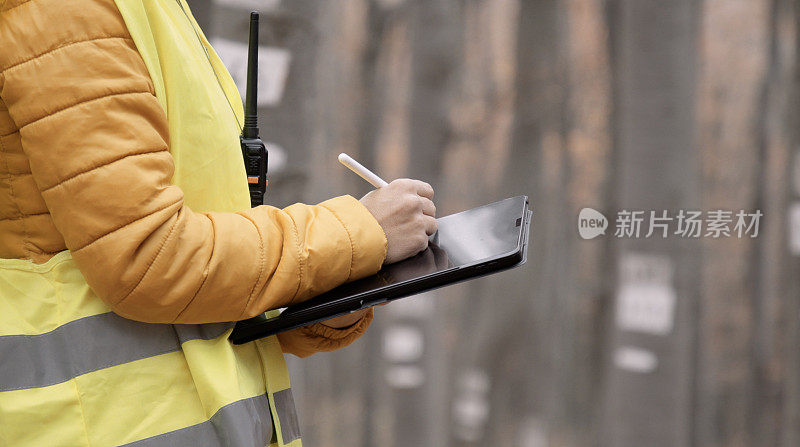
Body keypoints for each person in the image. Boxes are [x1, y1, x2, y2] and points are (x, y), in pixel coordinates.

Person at [0, 0, 436, 445]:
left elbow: (209, 271)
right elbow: (148, 258)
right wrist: (357, 232)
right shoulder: (62, 13)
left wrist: (341, 276)